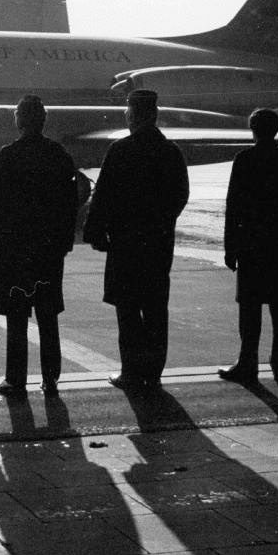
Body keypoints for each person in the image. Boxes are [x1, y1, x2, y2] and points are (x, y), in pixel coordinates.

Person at [83, 89, 189, 390]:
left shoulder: (121, 150)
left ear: (132, 114)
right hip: (157, 242)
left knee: (128, 309)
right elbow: (180, 195)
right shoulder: (170, 151)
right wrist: (162, 223)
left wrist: (95, 231)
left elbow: (102, 195)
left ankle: (131, 370)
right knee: (156, 308)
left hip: (126, 242)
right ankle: (153, 372)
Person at [0, 95, 79, 396]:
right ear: (44, 120)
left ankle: (16, 378)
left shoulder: (6, 156)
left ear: (19, 120)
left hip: (15, 248)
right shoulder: (58, 154)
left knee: (17, 315)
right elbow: (70, 203)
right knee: (48, 315)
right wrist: (64, 241)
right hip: (47, 248)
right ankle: (50, 378)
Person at [219, 107, 278, 384]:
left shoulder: (245, 159)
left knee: (250, 308)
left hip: (250, 243)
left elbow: (233, 206)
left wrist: (230, 246)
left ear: (253, 130)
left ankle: (247, 363)